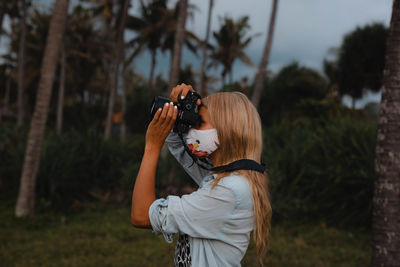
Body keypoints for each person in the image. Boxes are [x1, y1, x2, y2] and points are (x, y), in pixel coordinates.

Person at [131, 84, 272, 266]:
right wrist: (179, 110)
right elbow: (181, 148)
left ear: (226, 130)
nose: (193, 129)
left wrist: (152, 147)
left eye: (200, 122)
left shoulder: (230, 190)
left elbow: (141, 215)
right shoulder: (229, 178)